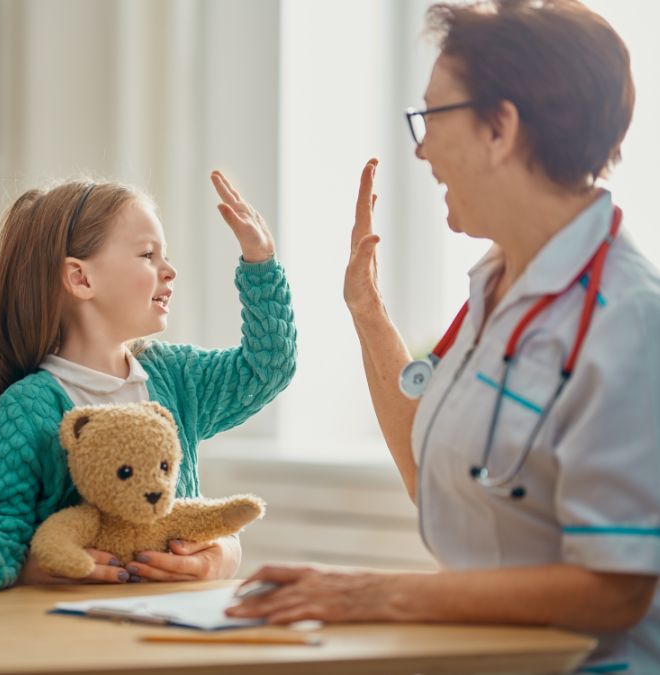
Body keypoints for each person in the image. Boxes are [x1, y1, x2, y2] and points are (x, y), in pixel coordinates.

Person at [228, 1, 660, 673]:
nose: (422, 147)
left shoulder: (626, 321)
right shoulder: (499, 289)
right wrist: (369, 313)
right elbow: (438, 482)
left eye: (432, 116)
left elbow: (617, 587)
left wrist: (372, 592)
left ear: (501, 127)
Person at [0, 172, 297, 600]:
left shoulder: (177, 376)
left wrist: (260, 264)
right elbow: (4, 515)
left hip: (175, 617)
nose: (169, 270)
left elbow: (269, 365)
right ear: (80, 278)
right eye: (148, 255)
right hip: (74, 626)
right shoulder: (28, 408)